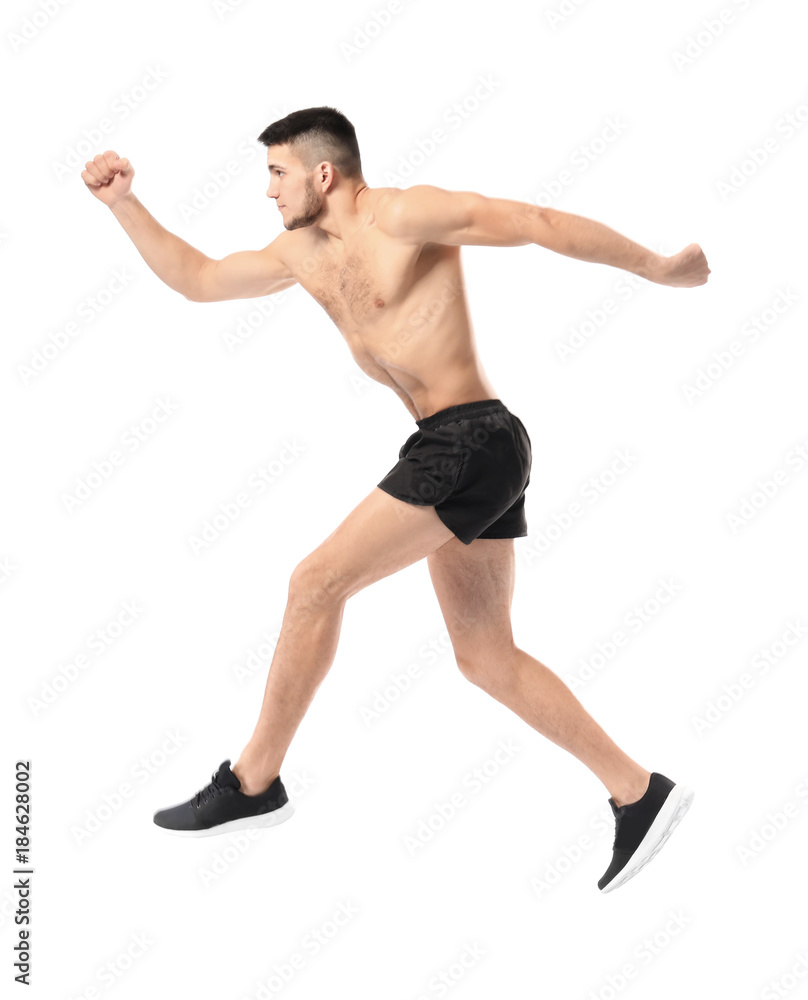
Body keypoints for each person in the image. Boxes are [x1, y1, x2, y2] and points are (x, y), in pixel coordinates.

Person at [82, 106, 708, 892]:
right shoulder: (300, 253)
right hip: (452, 449)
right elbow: (200, 279)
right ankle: (638, 791)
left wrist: (655, 267)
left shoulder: (407, 213)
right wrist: (124, 204)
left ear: (322, 173)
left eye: (276, 173)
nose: (266, 191)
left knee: (315, 583)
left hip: (471, 440)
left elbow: (535, 221)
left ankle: (253, 782)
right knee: (485, 657)